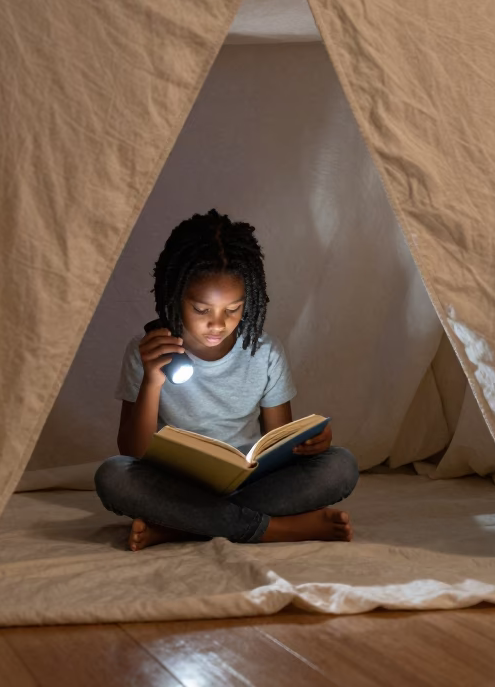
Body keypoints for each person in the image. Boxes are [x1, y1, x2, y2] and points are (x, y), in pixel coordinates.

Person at [95, 209, 360, 551]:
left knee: (341, 465)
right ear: (175, 297)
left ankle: (181, 527)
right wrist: (152, 382)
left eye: (232, 309)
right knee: (113, 475)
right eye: (201, 310)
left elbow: (278, 443)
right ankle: (274, 529)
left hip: (251, 482)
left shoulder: (265, 353)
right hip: (177, 485)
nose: (218, 324)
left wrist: (309, 443)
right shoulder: (147, 352)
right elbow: (133, 452)